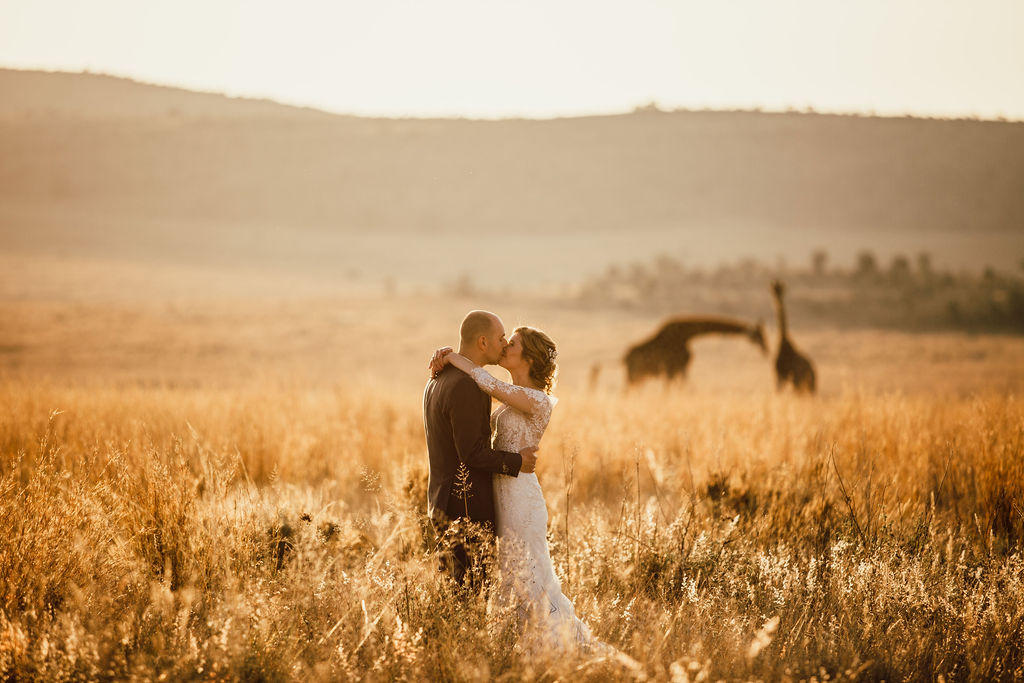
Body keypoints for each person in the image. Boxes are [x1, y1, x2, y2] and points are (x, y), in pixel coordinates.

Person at [428, 321, 599, 652]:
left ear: (530, 359)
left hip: (520, 496)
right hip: (500, 492)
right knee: (509, 571)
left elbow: (486, 380)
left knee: (527, 572)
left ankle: (554, 645)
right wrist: (447, 356)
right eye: (505, 341)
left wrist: (452, 357)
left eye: (513, 344)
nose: (505, 346)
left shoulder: (538, 400)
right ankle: (517, 644)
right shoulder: (511, 398)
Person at [423, 310, 538, 588]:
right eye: (501, 338)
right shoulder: (466, 385)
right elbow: (471, 452)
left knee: (457, 594)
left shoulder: (437, 378)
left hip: (441, 503)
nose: (505, 344)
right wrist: (517, 462)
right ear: (483, 342)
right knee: (472, 592)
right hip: (465, 508)